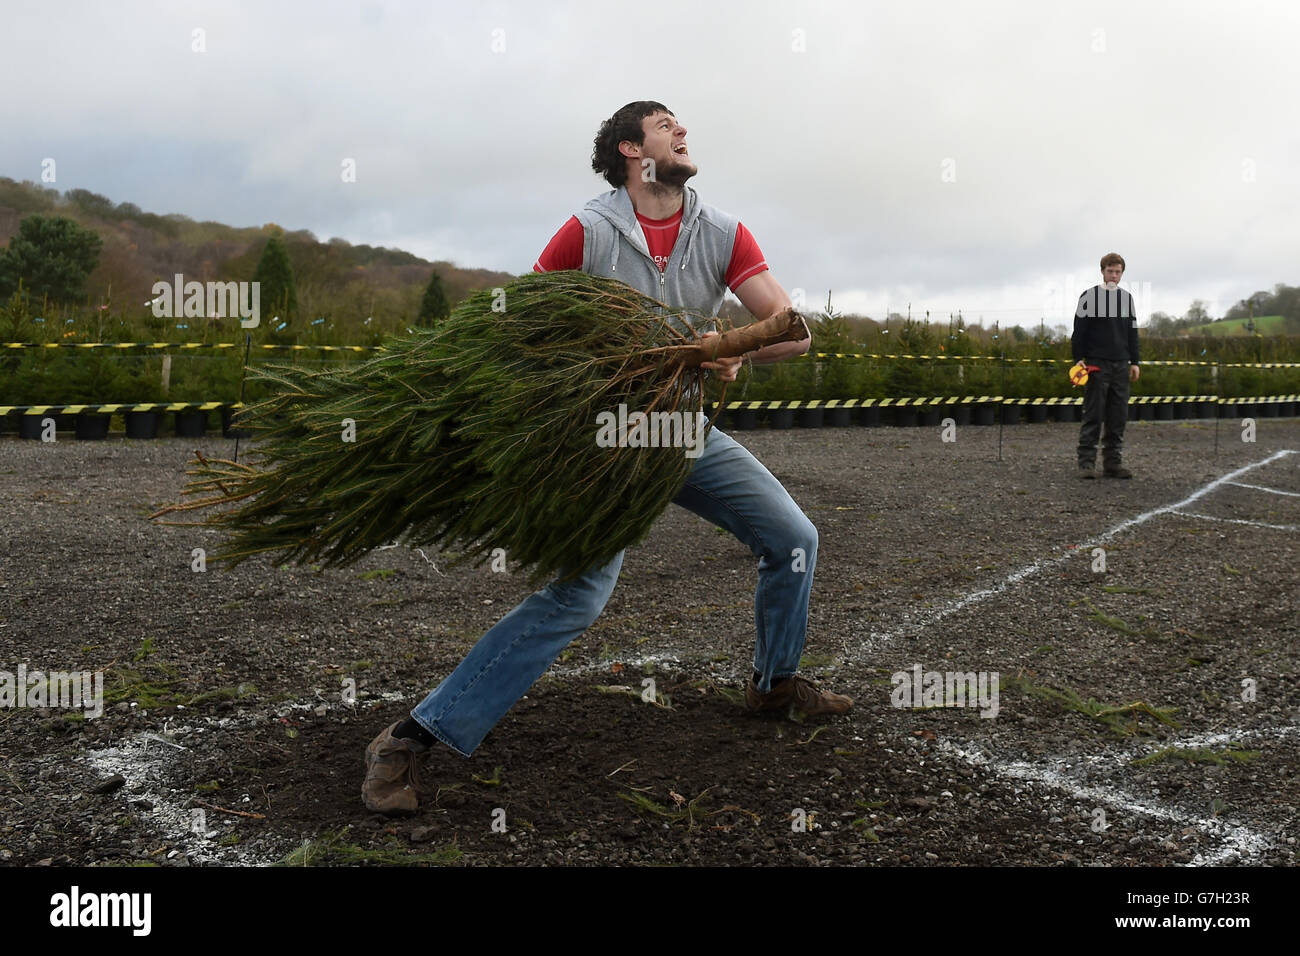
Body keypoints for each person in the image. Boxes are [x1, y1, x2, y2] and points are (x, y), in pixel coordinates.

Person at [362, 101, 851, 815]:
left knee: (794, 540)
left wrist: (732, 347)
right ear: (631, 149)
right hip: (610, 442)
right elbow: (525, 326)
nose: (682, 133)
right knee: (578, 596)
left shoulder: (722, 231)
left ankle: (773, 684)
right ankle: (408, 739)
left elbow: (790, 329)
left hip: (685, 434)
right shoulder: (588, 232)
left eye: (681, 126)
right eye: (664, 126)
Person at [1072, 252, 1141, 479]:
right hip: (1096, 365)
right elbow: (1079, 331)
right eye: (1110, 271)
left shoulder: (1127, 299)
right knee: (1093, 413)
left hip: (1121, 365)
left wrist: (1135, 362)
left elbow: (1132, 332)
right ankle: (1086, 464)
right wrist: (1078, 358)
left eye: (1118, 272)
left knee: (1118, 415)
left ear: (1122, 274)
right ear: (1102, 271)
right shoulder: (1089, 297)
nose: (1113, 275)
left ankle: (1113, 463)